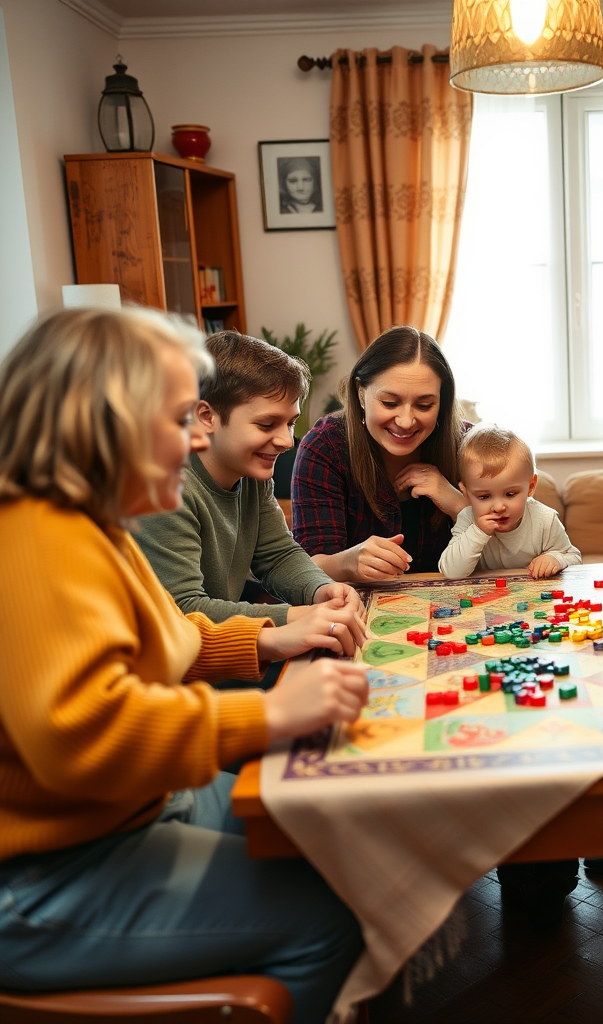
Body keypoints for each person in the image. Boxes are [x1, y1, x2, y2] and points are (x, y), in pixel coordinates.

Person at [0, 308, 369, 1024]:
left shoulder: (88, 525)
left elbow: (167, 632)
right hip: (41, 873)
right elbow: (84, 734)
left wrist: (264, 642)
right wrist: (267, 711)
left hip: (130, 813)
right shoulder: (36, 539)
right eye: (179, 419)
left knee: (322, 833)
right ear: (99, 424)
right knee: (330, 916)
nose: (200, 437)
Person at [135, 331, 365, 667]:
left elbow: (278, 554)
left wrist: (320, 589)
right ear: (206, 416)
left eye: (291, 423)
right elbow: (183, 609)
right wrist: (297, 616)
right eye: (267, 423)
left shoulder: (250, 472)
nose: (287, 441)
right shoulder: (164, 488)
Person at [291, 325, 469, 582]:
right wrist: (348, 562)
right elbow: (306, 568)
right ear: (361, 394)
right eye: (389, 403)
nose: (406, 421)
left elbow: (516, 545)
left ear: (443, 402)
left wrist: (459, 506)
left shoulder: (468, 444)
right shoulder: (325, 446)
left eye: (424, 405)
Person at [439, 423, 581, 579]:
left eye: (510, 494)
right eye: (484, 497)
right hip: (484, 599)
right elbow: (451, 572)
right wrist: (478, 532)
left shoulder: (545, 520)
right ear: (465, 492)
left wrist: (556, 559)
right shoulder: (467, 519)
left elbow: (574, 557)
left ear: (531, 487)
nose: (499, 507)